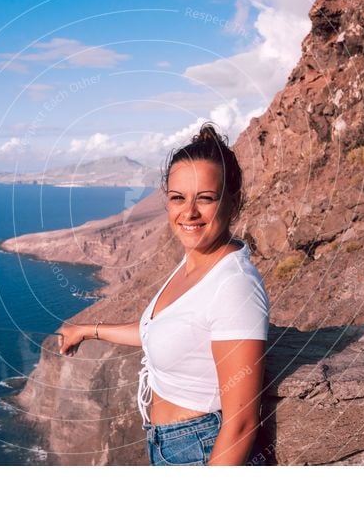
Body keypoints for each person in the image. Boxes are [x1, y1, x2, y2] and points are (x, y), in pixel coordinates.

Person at [55, 121, 269, 466]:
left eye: (206, 199)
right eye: (177, 198)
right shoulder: (193, 263)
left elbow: (241, 422)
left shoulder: (234, 284)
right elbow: (162, 331)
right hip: (168, 443)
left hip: (202, 448)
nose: (189, 213)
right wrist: (88, 330)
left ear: (233, 201)